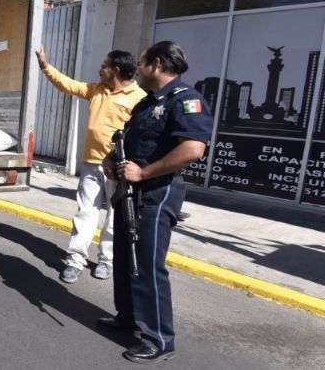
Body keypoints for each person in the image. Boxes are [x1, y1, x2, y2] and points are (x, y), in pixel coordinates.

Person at [99, 41, 212, 364]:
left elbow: (192, 149)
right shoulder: (147, 103)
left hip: (157, 192)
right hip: (131, 190)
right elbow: (130, 139)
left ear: (157, 64)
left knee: (147, 265)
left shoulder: (186, 101)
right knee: (124, 256)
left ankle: (159, 339)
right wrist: (111, 158)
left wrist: (144, 172)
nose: (138, 67)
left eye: (143, 61)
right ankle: (129, 317)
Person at [35, 47, 145, 284]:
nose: (99, 68)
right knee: (85, 213)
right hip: (91, 163)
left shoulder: (138, 98)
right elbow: (68, 85)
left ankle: (107, 261)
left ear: (115, 70)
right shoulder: (97, 89)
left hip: (118, 169)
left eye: (104, 65)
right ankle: (75, 261)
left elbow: (140, 136)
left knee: (115, 217)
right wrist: (46, 66)